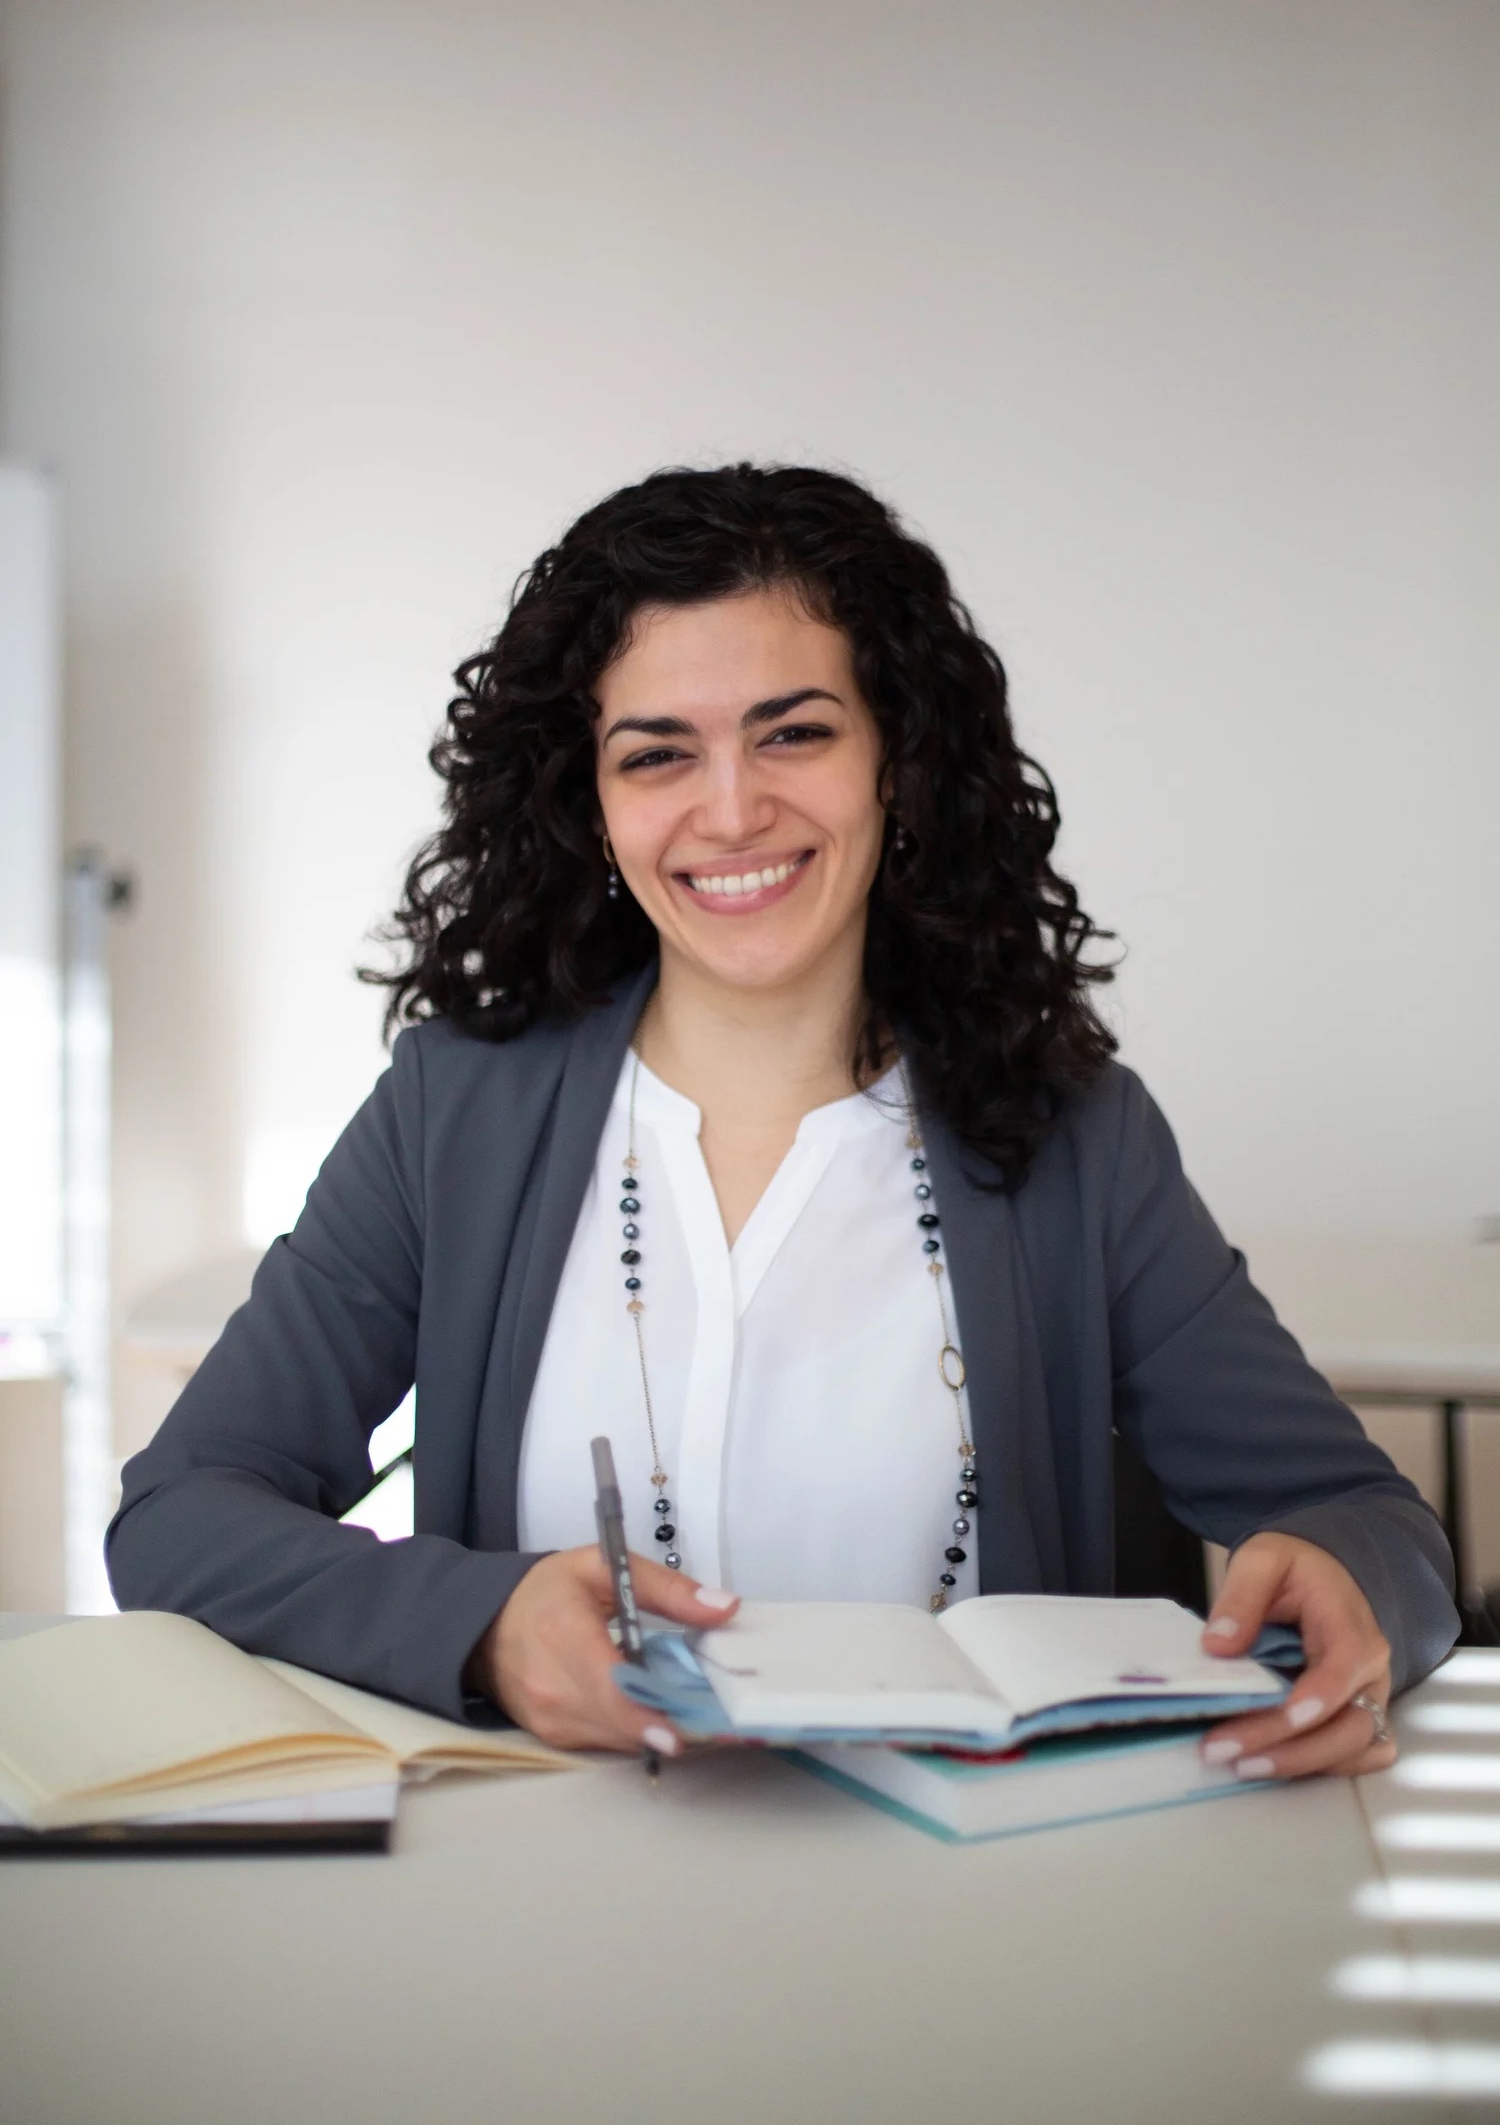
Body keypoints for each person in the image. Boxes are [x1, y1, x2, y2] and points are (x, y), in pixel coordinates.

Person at [106, 463, 1457, 1783]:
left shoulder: (1079, 1141)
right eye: (657, 753)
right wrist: (481, 1625)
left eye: (794, 731)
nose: (734, 807)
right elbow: (181, 1514)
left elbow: (1372, 1523)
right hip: (532, 1914)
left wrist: (1353, 1589)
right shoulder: (452, 1113)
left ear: (898, 763)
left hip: (988, 1926)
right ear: (592, 802)